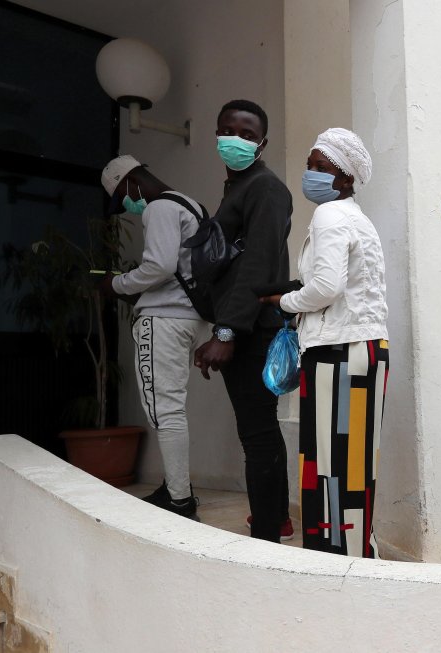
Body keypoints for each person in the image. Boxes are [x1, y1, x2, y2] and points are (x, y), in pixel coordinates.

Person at [259, 128, 388, 557]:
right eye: (309, 165)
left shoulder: (331, 216)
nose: (309, 173)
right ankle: (352, 548)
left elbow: (326, 287)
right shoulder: (355, 218)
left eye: (320, 167)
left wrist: (286, 300)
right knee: (350, 461)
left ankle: (339, 558)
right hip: (359, 349)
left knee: (333, 460)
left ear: (345, 179)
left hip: (340, 352)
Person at [194, 99, 293, 543]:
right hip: (243, 325)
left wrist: (227, 330)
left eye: (248, 134)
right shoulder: (238, 187)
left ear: (262, 142)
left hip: (252, 330)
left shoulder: (265, 188)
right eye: (228, 130)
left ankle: (269, 534)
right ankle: (276, 519)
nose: (236, 139)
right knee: (257, 430)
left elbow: (259, 263)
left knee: (258, 433)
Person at [99, 155, 207, 518]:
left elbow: (159, 267)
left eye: (122, 199)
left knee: (165, 410)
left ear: (130, 182)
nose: (127, 208)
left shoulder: (159, 207)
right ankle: (177, 487)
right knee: (170, 406)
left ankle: (180, 499)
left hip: (163, 318)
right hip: (188, 317)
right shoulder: (189, 204)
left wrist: (117, 284)